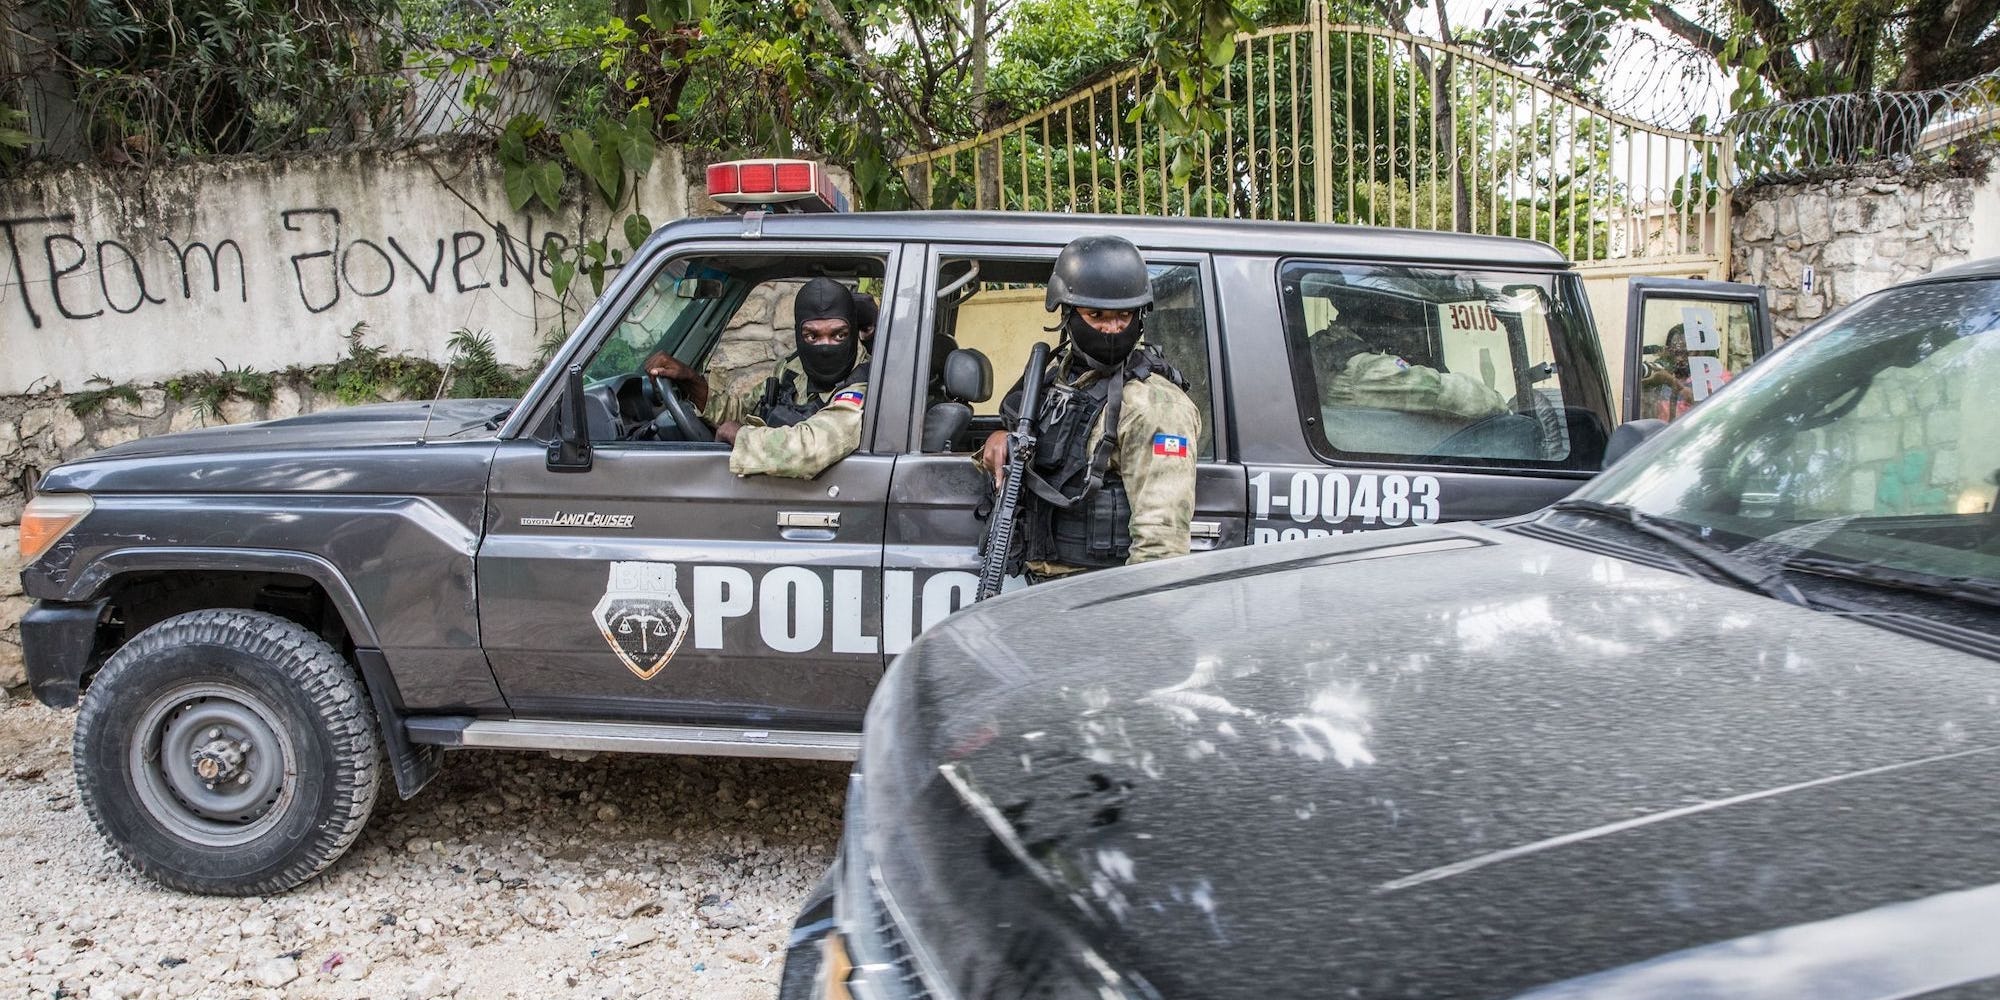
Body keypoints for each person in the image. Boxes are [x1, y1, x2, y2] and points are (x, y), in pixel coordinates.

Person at [978, 235, 1201, 579]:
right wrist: (998, 439)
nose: (1112, 329)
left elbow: (1161, 549)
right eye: (1096, 315)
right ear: (1068, 315)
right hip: (1047, 588)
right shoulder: (1059, 382)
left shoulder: (1155, 405)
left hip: (1095, 595)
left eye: (1124, 316)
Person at [644, 277, 869, 479]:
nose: (825, 347)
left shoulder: (864, 382)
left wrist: (741, 435)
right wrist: (691, 380)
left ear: (853, 330)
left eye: (839, 334)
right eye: (812, 335)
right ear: (799, 335)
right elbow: (742, 410)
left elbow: (810, 450)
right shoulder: (793, 368)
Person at [1308, 301, 1508, 422]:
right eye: (1400, 318)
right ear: (1375, 319)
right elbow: (1444, 392)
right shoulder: (1362, 370)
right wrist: (1503, 407)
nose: (1405, 327)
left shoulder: (1324, 347)